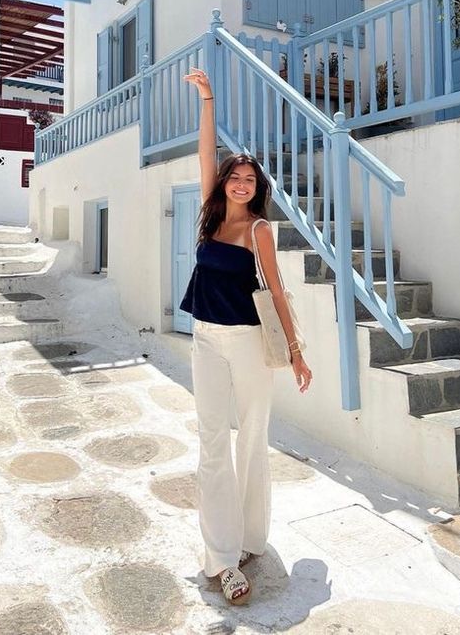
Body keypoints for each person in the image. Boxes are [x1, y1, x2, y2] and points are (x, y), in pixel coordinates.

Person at [180, 67, 313, 606]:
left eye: (249, 180)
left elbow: (278, 295)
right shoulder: (210, 215)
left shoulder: (258, 230)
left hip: (248, 342)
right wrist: (208, 99)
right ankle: (223, 558)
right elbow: (207, 154)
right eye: (235, 177)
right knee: (213, 443)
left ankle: (253, 536)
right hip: (205, 338)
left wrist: (297, 354)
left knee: (252, 438)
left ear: (258, 190)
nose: (240, 184)